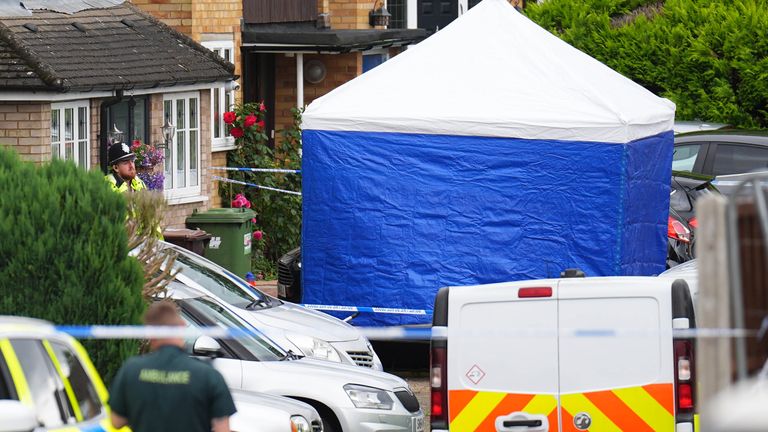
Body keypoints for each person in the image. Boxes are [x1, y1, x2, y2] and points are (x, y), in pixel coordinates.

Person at [109, 301, 236, 432]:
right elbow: (222, 429)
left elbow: (116, 421)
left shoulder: (131, 369)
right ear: (182, 327)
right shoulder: (208, 375)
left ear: (149, 333)